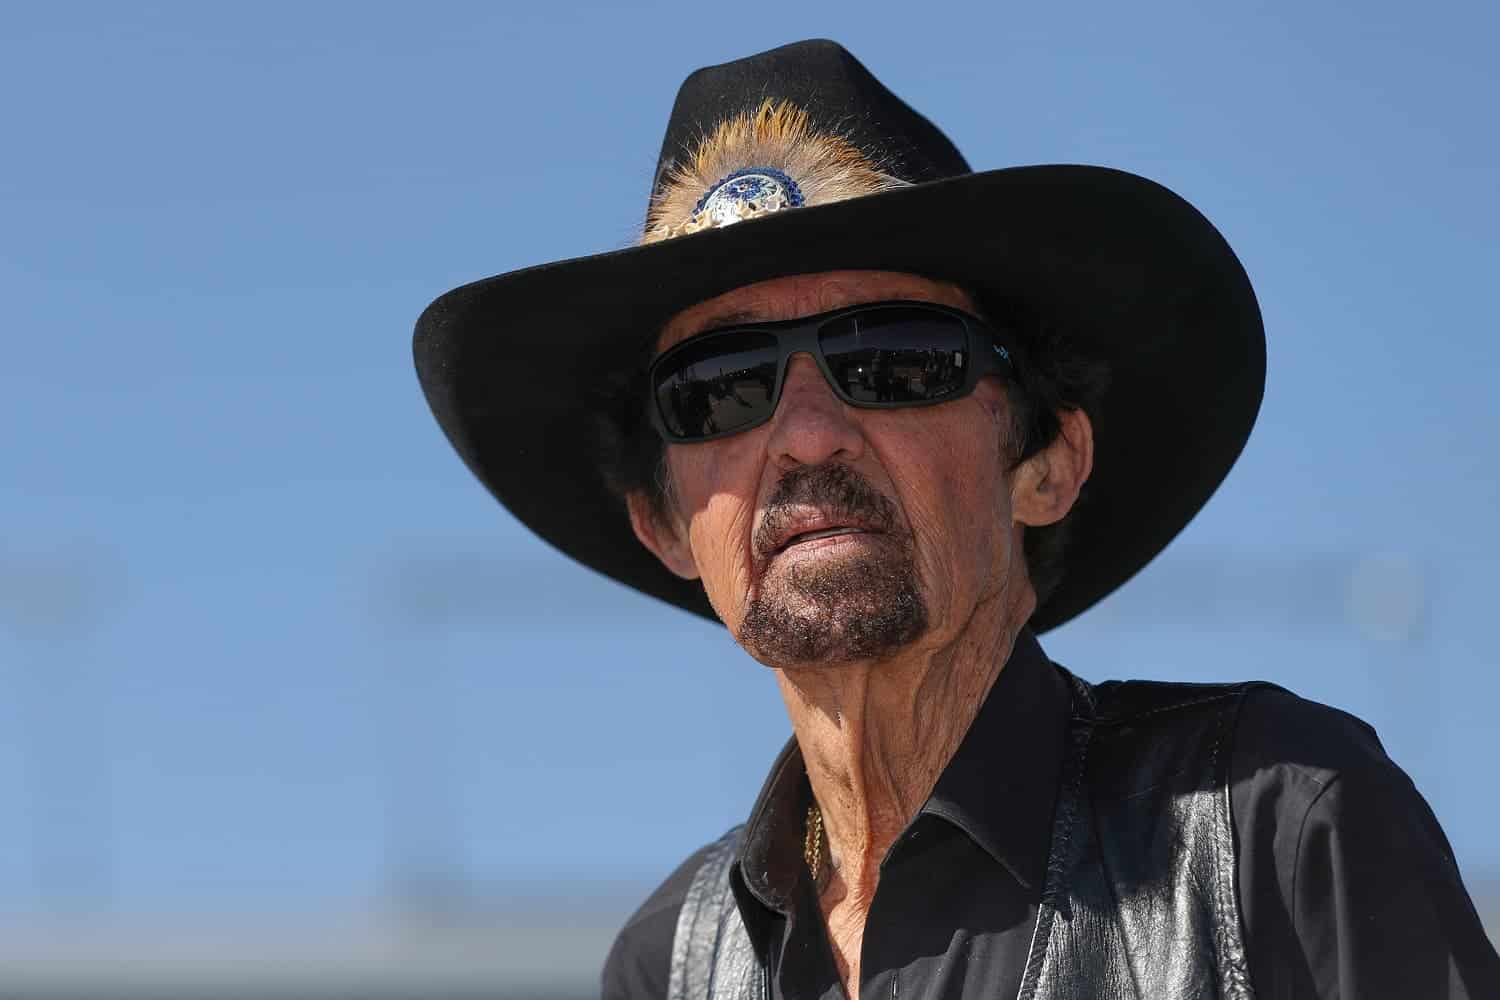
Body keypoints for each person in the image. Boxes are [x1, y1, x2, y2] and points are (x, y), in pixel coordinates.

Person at [413, 39, 1499, 1000]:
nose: (804, 434)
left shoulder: (1276, 828)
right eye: (718, 388)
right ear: (662, 523)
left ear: (1045, 463)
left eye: (891, 358)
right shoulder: (669, 966)